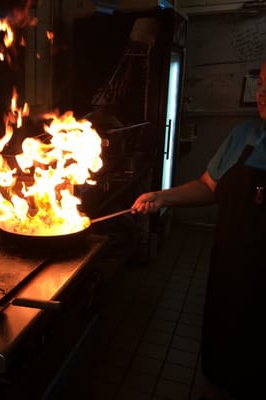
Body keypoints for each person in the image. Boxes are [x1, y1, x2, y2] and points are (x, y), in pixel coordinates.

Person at [131, 59, 266, 400]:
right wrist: (162, 197)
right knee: (222, 364)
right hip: (230, 277)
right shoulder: (246, 135)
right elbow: (209, 186)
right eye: (261, 83)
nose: (262, 93)